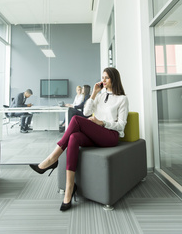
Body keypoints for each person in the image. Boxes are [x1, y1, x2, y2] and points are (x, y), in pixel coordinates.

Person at [30, 68, 129, 211]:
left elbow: (121, 126)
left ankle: (52, 158)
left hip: (110, 136)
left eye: (106, 78)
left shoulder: (122, 99)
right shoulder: (100, 96)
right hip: (97, 135)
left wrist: (102, 123)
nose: (103, 81)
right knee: (74, 137)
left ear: (114, 79)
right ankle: (70, 188)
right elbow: (86, 112)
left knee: (76, 119)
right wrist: (94, 93)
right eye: (102, 77)